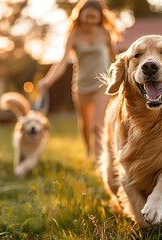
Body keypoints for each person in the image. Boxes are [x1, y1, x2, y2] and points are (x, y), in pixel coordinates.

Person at [39, 0, 121, 164]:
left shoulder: (104, 33)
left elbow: (116, 58)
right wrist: (47, 80)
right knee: (85, 125)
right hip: (81, 85)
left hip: (102, 83)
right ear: (81, 15)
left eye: (94, 17)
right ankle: (89, 152)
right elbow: (63, 62)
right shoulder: (74, 35)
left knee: (97, 125)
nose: (91, 20)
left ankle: (100, 162)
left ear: (99, 18)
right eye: (88, 16)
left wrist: (121, 76)